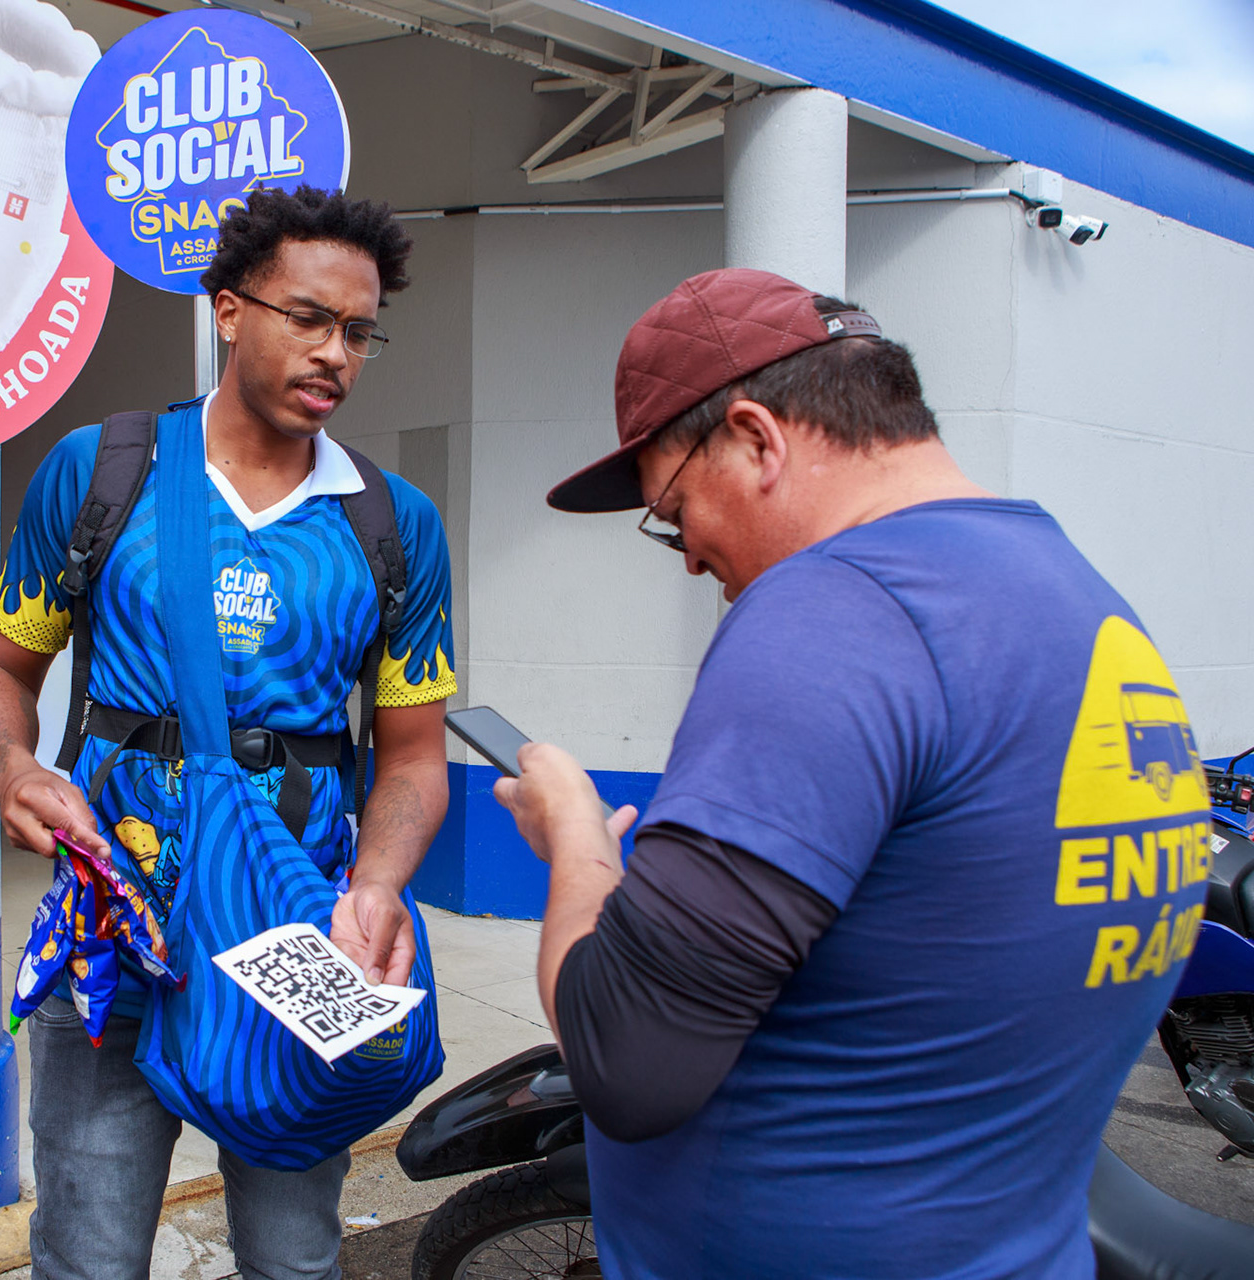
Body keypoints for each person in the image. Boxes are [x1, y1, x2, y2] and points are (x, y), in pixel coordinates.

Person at [495, 267, 1209, 1279]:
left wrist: (574, 844)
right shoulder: (1082, 601)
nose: (692, 559)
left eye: (675, 508)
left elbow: (626, 1059)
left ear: (756, 437)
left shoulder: (832, 614)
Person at [0, 185, 458, 1280]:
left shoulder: (391, 525)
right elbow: (3, 670)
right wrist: (12, 763)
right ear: (229, 309)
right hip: (119, 930)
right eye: (308, 317)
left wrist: (375, 883)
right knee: (90, 1252)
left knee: (293, 1254)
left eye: (359, 331)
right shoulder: (103, 474)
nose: (336, 351)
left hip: (297, 928)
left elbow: (416, 755)